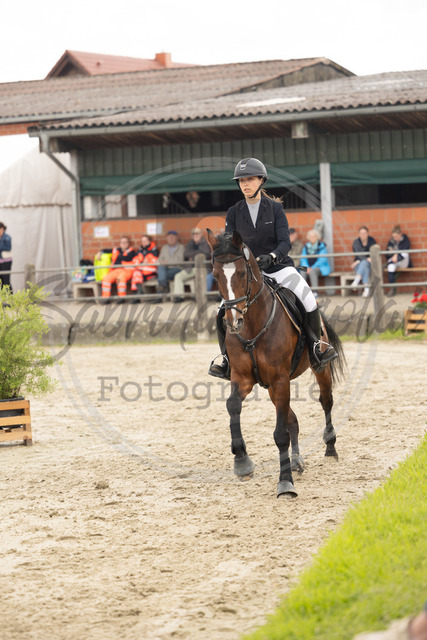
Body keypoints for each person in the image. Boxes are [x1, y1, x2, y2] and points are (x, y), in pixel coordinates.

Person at [208, 157, 338, 379]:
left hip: (278, 268)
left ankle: (317, 347)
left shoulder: (275, 209)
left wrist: (272, 256)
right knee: (222, 310)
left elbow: (285, 242)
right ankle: (226, 359)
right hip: (247, 273)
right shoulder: (234, 212)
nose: (245, 184)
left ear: (261, 181)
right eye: (242, 181)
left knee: (308, 298)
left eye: (250, 179)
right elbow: (231, 244)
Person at [172, 228, 211, 303]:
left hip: (202, 268)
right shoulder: (190, 243)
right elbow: (186, 254)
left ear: (201, 234)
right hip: (190, 268)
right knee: (178, 276)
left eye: (197, 234)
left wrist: (192, 256)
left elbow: (206, 254)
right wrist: (198, 253)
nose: (195, 235)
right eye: (194, 234)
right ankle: (179, 296)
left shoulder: (205, 243)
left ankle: (197, 297)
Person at [98, 236, 136, 303]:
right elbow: (105, 250)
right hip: (115, 270)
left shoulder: (131, 252)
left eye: (125, 242)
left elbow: (127, 258)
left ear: (128, 243)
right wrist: (100, 253)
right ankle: (106, 298)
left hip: (125, 271)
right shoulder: (116, 250)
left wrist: (118, 255)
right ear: (120, 243)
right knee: (106, 279)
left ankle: (121, 298)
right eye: (122, 242)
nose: (123, 244)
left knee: (120, 279)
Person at [300, 229, 331, 297]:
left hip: (319, 267)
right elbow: (303, 258)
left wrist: (312, 268)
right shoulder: (306, 246)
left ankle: (315, 292)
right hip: (308, 266)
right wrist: (307, 267)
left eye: (314, 236)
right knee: (302, 270)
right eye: (310, 236)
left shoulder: (322, 246)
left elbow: (322, 260)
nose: (312, 238)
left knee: (313, 271)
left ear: (317, 237)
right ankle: (302, 291)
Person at [351, 225, 377, 298]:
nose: (363, 235)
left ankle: (357, 280)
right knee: (365, 265)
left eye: (364, 233)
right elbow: (358, 254)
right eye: (361, 233)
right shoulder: (356, 242)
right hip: (359, 265)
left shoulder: (372, 241)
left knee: (365, 264)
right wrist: (365, 259)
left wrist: (358, 261)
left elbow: (374, 253)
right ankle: (366, 289)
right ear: (359, 234)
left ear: (367, 233)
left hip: (370, 264)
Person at [385, 225, 411, 296]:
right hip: (394, 261)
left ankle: (388, 263)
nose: (395, 238)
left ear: (400, 234)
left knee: (405, 254)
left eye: (396, 236)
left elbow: (406, 250)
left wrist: (397, 255)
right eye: (393, 237)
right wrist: (392, 254)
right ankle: (392, 289)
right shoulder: (391, 241)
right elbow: (387, 253)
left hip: (403, 262)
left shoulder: (405, 240)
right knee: (390, 267)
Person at [130, 235, 159, 299]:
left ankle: (137, 296)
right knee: (136, 274)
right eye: (142, 241)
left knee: (136, 274)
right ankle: (137, 293)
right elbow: (135, 260)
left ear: (149, 241)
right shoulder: (140, 250)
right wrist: (142, 262)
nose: (143, 243)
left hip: (151, 273)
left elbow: (154, 261)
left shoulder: (154, 250)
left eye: (145, 241)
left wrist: (144, 262)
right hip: (141, 272)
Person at [0, 222, 13, 292]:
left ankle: (10, 297)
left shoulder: (7, 237)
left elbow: (8, 248)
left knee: (6, 281)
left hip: (6, 262)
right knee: (1, 281)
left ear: (2, 229)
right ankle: (3, 297)